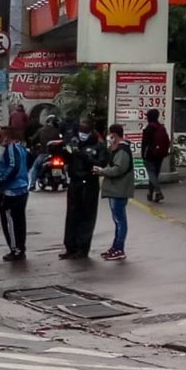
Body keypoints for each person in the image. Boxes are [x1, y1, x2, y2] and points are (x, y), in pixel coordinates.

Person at [60, 116, 107, 259]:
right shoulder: (74, 141)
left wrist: (84, 156)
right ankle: (70, 246)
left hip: (89, 183)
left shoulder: (98, 145)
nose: (82, 127)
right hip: (75, 182)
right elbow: (66, 159)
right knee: (72, 215)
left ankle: (82, 248)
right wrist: (65, 151)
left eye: (85, 124)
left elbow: (102, 163)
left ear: (91, 127)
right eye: (81, 124)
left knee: (87, 216)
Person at [93, 124, 134, 261]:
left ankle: (119, 249)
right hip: (115, 190)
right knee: (118, 221)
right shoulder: (117, 150)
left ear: (115, 135)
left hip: (119, 190)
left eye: (110, 135)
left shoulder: (122, 151)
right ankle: (115, 247)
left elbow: (118, 170)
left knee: (120, 221)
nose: (109, 138)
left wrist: (102, 171)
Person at [0, 126, 29, 262]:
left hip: (12, 191)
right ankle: (20, 248)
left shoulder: (11, 148)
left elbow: (13, 166)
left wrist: (2, 179)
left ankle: (16, 250)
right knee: (19, 221)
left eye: (0, 137)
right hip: (21, 189)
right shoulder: (21, 148)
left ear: (6, 137)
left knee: (10, 222)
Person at [141, 108, 170, 203]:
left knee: (151, 175)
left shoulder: (148, 129)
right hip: (160, 155)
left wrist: (143, 156)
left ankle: (158, 192)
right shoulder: (161, 127)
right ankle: (150, 193)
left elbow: (144, 144)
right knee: (154, 175)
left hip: (150, 155)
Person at [28, 115, 62, 190]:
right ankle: (64, 181)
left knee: (35, 167)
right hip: (57, 154)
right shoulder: (58, 131)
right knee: (64, 164)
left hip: (44, 153)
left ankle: (32, 185)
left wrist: (32, 144)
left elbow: (33, 139)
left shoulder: (41, 130)